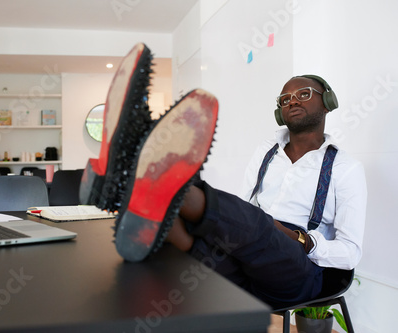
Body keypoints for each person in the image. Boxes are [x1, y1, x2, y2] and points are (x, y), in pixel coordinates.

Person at [80, 44, 367, 308]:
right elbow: (239, 210)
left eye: (303, 94)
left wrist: (299, 239)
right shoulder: (265, 153)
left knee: (260, 226)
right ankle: (148, 200)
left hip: (298, 272)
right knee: (200, 242)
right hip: (246, 264)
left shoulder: (345, 168)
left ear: (327, 102)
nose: (291, 102)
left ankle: (141, 177)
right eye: (284, 99)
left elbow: (350, 252)